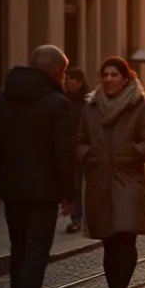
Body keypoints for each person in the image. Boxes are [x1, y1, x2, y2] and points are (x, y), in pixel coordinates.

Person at [0, 45, 76, 288]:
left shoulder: (2, 98)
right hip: (43, 191)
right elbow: (63, 152)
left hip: (12, 189)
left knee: (19, 249)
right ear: (59, 72)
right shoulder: (58, 103)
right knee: (36, 251)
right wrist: (69, 193)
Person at [77, 57, 145, 288]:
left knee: (125, 240)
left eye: (115, 74)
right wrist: (89, 155)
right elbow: (79, 141)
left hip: (129, 182)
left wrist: (131, 153)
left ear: (126, 78)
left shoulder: (139, 107)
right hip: (99, 183)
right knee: (109, 244)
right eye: (106, 74)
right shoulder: (90, 107)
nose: (110, 79)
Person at [64, 68, 89, 234]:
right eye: (66, 82)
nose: (67, 85)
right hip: (65, 149)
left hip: (80, 150)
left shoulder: (87, 102)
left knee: (78, 184)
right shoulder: (63, 100)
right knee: (71, 184)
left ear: (80, 83)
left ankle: (77, 218)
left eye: (71, 82)